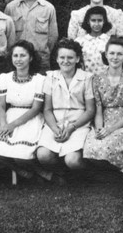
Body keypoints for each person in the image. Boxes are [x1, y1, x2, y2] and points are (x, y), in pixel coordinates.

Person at [83, 36, 123, 183]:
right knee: (89, 150)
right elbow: (98, 110)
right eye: (111, 53)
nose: (115, 57)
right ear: (105, 54)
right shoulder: (96, 79)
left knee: (107, 148)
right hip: (103, 120)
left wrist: (110, 130)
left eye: (119, 54)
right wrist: (99, 129)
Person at [36, 39, 95, 183]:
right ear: (56, 59)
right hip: (55, 123)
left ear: (77, 59)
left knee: (73, 160)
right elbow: (47, 109)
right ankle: (62, 173)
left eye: (70, 57)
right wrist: (55, 129)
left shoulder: (87, 78)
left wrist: (71, 128)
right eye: (62, 57)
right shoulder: (50, 77)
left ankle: (84, 173)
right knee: (43, 155)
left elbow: (90, 110)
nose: (66, 61)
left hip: (78, 124)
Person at [0, 40, 48, 180]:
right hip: (9, 117)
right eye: (15, 55)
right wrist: (4, 125)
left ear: (30, 58)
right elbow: (0, 105)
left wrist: (13, 125)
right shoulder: (4, 78)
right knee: (0, 152)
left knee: (23, 155)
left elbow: (36, 108)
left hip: (30, 118)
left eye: (22, 55)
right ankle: (29, 174)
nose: (18, 59)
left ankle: (39, 172)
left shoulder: (39, 80)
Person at [5, 0, 59, 73]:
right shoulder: (11, 8)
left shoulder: (48, 8)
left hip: (41, 61)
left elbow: (53, 37)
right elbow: (5, 35)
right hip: (17, 61)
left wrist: (42, 53)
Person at [75, 6, 111, 75]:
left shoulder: (109, 41)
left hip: (105, 79)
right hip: (86, 79)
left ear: (104, 21)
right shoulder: (80, 41)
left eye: (100, 20)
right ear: (88, 21)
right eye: (93, 20)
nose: (96, 24)